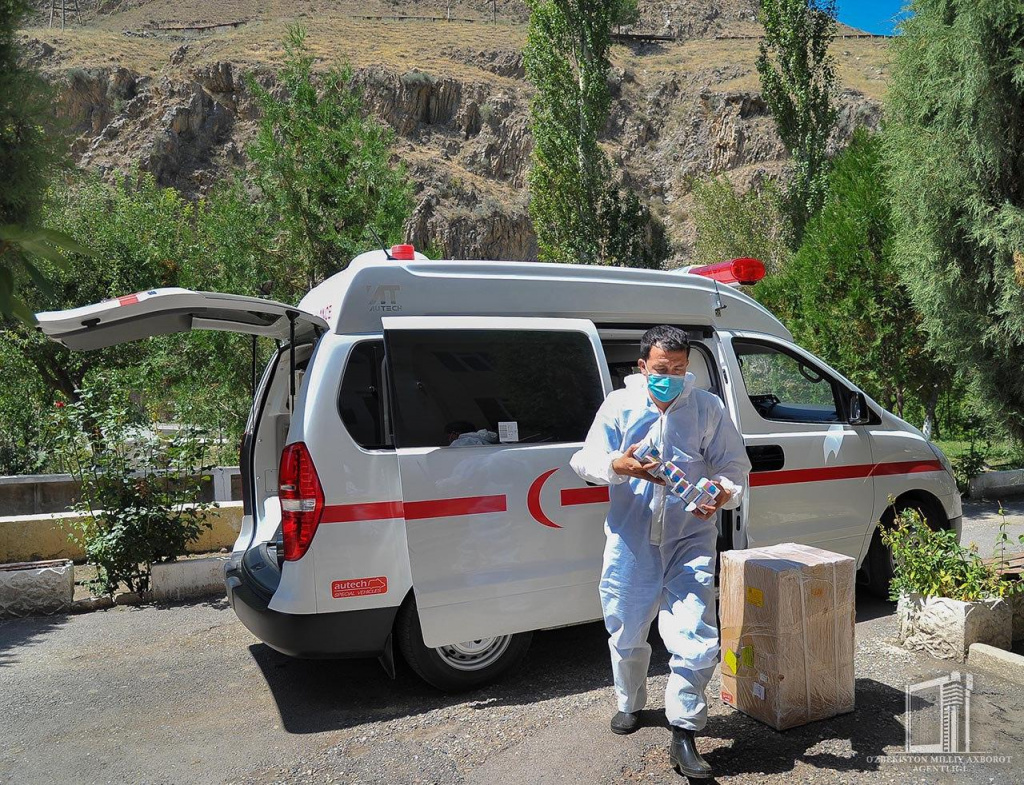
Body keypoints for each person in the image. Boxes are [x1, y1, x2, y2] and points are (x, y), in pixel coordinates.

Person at [570, 325, 751, 779]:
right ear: (642, 366)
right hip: (631, 541)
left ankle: (684, 731)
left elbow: (734, 466)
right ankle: (630, 701)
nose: (669, 377)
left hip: (690, 539)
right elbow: (585, 460)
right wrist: (618, 464)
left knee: (695, 633)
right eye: (660, 369)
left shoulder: (706, 408)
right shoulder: (620, 405)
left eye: (678, 369)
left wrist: (721, 493)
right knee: (626, 627)